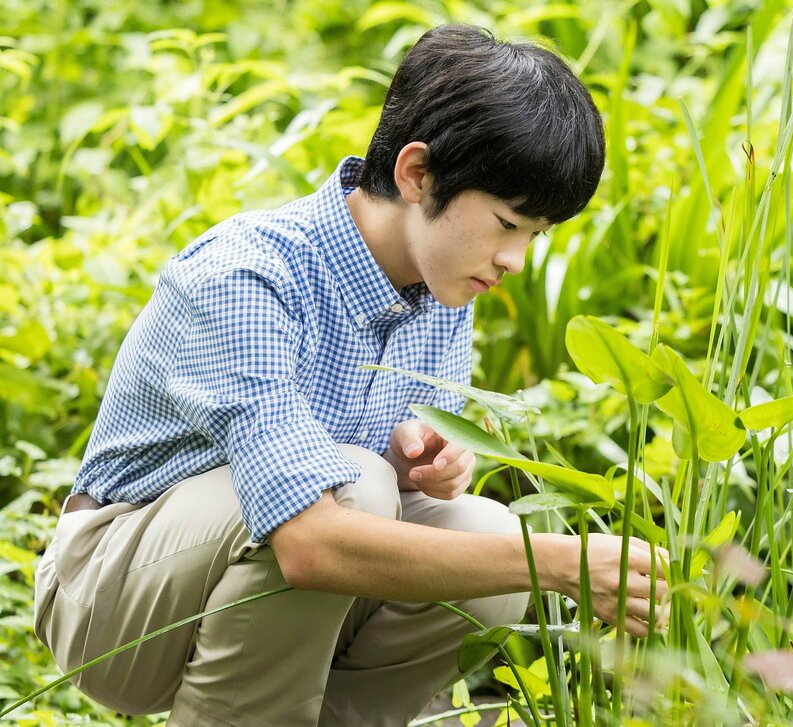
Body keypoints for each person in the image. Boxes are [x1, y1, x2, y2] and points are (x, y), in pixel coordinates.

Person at [33, 24, 667, 726]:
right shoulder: (248, 276)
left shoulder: (445, 285)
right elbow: (308, 541)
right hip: (109, 603)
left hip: (266, 579)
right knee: (356, 492)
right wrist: (555, 562)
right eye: (506, 223)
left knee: (472, 523)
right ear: (416, 173)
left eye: (535, 235)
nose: (516, 259)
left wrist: (423, 465)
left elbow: (384, 484)